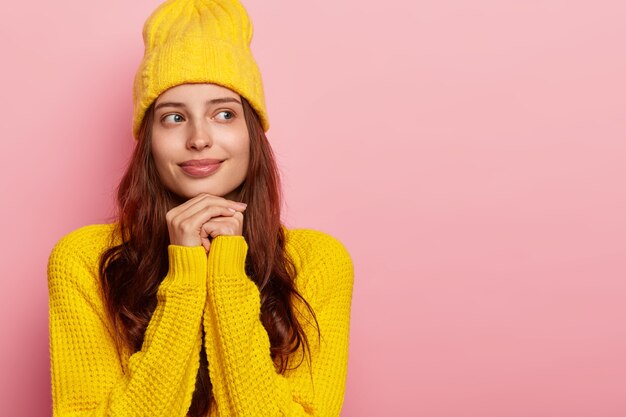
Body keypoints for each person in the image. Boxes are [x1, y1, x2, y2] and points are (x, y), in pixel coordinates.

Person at [46, 0, 354, 416]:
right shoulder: (84, 260)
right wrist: (186, 275)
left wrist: (227, 268)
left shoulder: (317, 261)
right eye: (173, 118)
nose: (199, 139)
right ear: (148, 142)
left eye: (224, 114)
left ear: (252, 134)